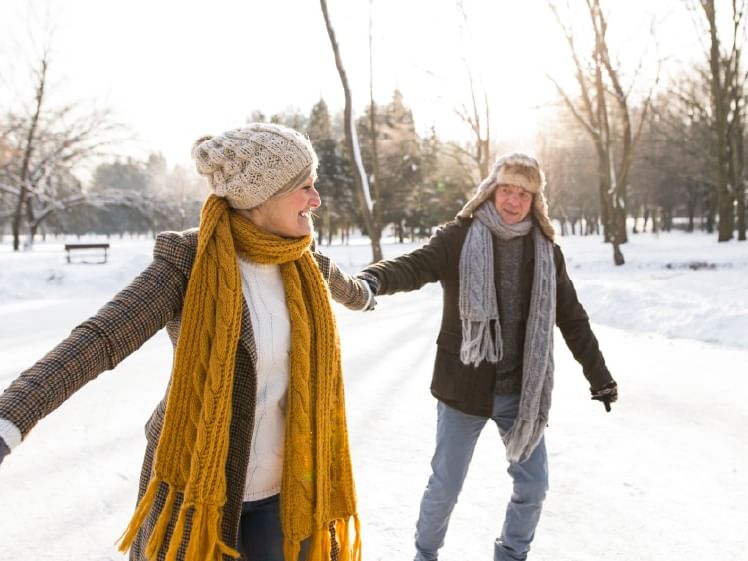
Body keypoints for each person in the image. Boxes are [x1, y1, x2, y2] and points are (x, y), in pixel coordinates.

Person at [0, 123, 373, 561]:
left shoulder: (303, 261)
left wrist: (368, 295)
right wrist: (11, 417)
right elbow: (99, 339)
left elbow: (349, 288)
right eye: (305, 187)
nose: (317, 199)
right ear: (264, 195)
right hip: (198, 482)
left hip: (290, 487)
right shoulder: (189, 265)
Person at [357, 152, 618, 561]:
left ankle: (511, 555)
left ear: (535, 201)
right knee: (445, 485)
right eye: (507, 190)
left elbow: (572, 317)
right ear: (491, 191)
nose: (513, 201)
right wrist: (373, 278)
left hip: (521, 394)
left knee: (533, 486)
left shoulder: (546, 252)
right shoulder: (459, 238)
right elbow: (416, 266)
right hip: (464, 387)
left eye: (524, 194)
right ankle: (425, 555)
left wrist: (599, 376)